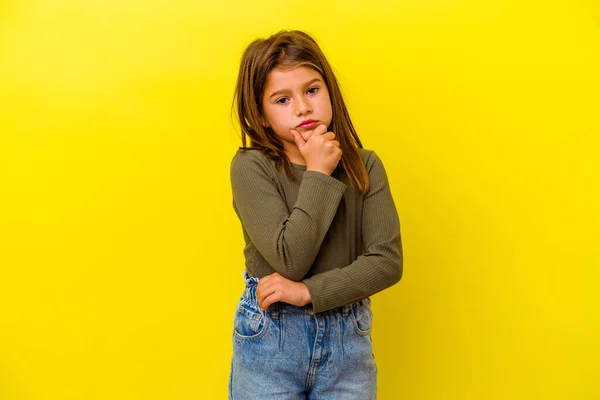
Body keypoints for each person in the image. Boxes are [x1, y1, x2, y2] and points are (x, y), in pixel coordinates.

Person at [228, 30, 403, 399]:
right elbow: (289, 259)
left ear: (330, 91)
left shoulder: (364, 164)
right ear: (260, 115)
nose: (303, 108)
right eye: (282, 99)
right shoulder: (251, 167)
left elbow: (386, 261)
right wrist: (318, 172)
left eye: (312, 90)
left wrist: (309, 292)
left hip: (347, 341)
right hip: (271, 342)